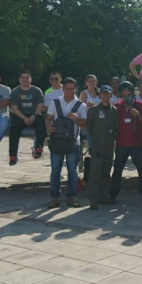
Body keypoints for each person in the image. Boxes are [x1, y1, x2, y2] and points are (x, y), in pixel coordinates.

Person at [46, 77, 88, 208]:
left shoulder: (81, 105)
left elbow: (85, 124)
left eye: (72, 89)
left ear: (76, 89)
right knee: (55, 171)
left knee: (72, 171)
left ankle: (72, 196)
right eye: (67, 89)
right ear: (63, 89)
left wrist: (76, 118)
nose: (69, 91)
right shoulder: (55, 102)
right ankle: (55, 197)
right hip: (57, 140)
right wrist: (49, 127)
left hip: (73, 142)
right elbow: (48, 118)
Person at [111, 81, 142, 202]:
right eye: (124, 95)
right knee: (117, 171)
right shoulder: (116, 107)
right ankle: (113, 194)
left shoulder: (140, 106)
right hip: (121, 144)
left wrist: (138, 115)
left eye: (128, 95)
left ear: (133, 94)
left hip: (136, 144)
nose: (126, 98)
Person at [85, 85, 119, 210]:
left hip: (109, 146)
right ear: (100, 95)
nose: (105, 96)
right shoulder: (93, 110)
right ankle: (93, 198)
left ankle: (103, 196)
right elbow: (89, 128)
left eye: (108, 94)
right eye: (103, 94)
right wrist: (94, 142)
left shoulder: (114, 110)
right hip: (97, 146)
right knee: (95, 173)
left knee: (106, 171)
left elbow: (116, 127)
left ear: (111, 95)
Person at [8, 70, 46, 166]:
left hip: (34, 115)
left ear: (31, 79)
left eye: (27, 77)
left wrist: (34, 116)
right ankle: (13, 156)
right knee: (14, 129)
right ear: (19, 79)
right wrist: (24, 118)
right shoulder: (15, 91)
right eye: (23, 77)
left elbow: (40, 105)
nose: (25, 79)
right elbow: (14, 108)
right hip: (20, 115)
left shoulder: (37, 90)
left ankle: (38, 149)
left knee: (41, 122)